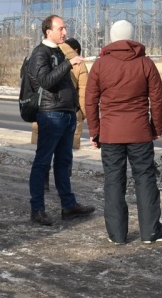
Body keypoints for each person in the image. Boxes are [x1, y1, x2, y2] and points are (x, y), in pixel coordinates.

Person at [85, 19, 162, 245]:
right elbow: (158, 99)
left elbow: (90, 101)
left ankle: (117, 234)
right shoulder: (145, 63)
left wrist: (95, 131)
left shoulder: (100, 65)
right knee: (145, 180)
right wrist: (156, 127)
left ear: (112, 38)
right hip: (139, 132)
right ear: (132, 37)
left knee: (113, 181)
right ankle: (151, 232)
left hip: (111, 134)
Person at [25, 14, 95, 226]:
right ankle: (37, 209)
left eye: (65, 28)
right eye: (61, 29)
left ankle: (68, 206)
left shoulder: (57, 51)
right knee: (42, 162)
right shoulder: (40, 53)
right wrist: (68, 64)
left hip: (65, 114)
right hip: (51, 114)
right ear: (49, 32)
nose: (65, 32)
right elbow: (45, 81)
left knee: (64, 162)